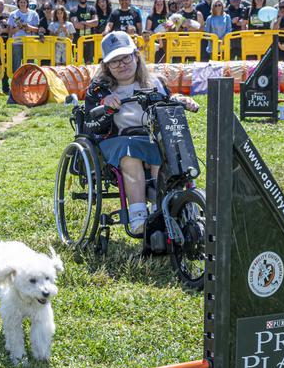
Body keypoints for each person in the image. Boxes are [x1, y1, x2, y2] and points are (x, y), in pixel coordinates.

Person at [83, 31, 198, 236]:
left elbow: (169, 101)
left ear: (136, 55)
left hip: (150, 138)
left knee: (165, 152)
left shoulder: (154, 82)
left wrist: (182, 99)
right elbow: (92, 125)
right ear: (106, 66)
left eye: (126, 57)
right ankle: (138, 216)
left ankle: (162, 210)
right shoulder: (99, 89)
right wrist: (105, 105)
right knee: (130, 154)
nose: (122, 64)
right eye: (114, 61)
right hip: (116, 140)